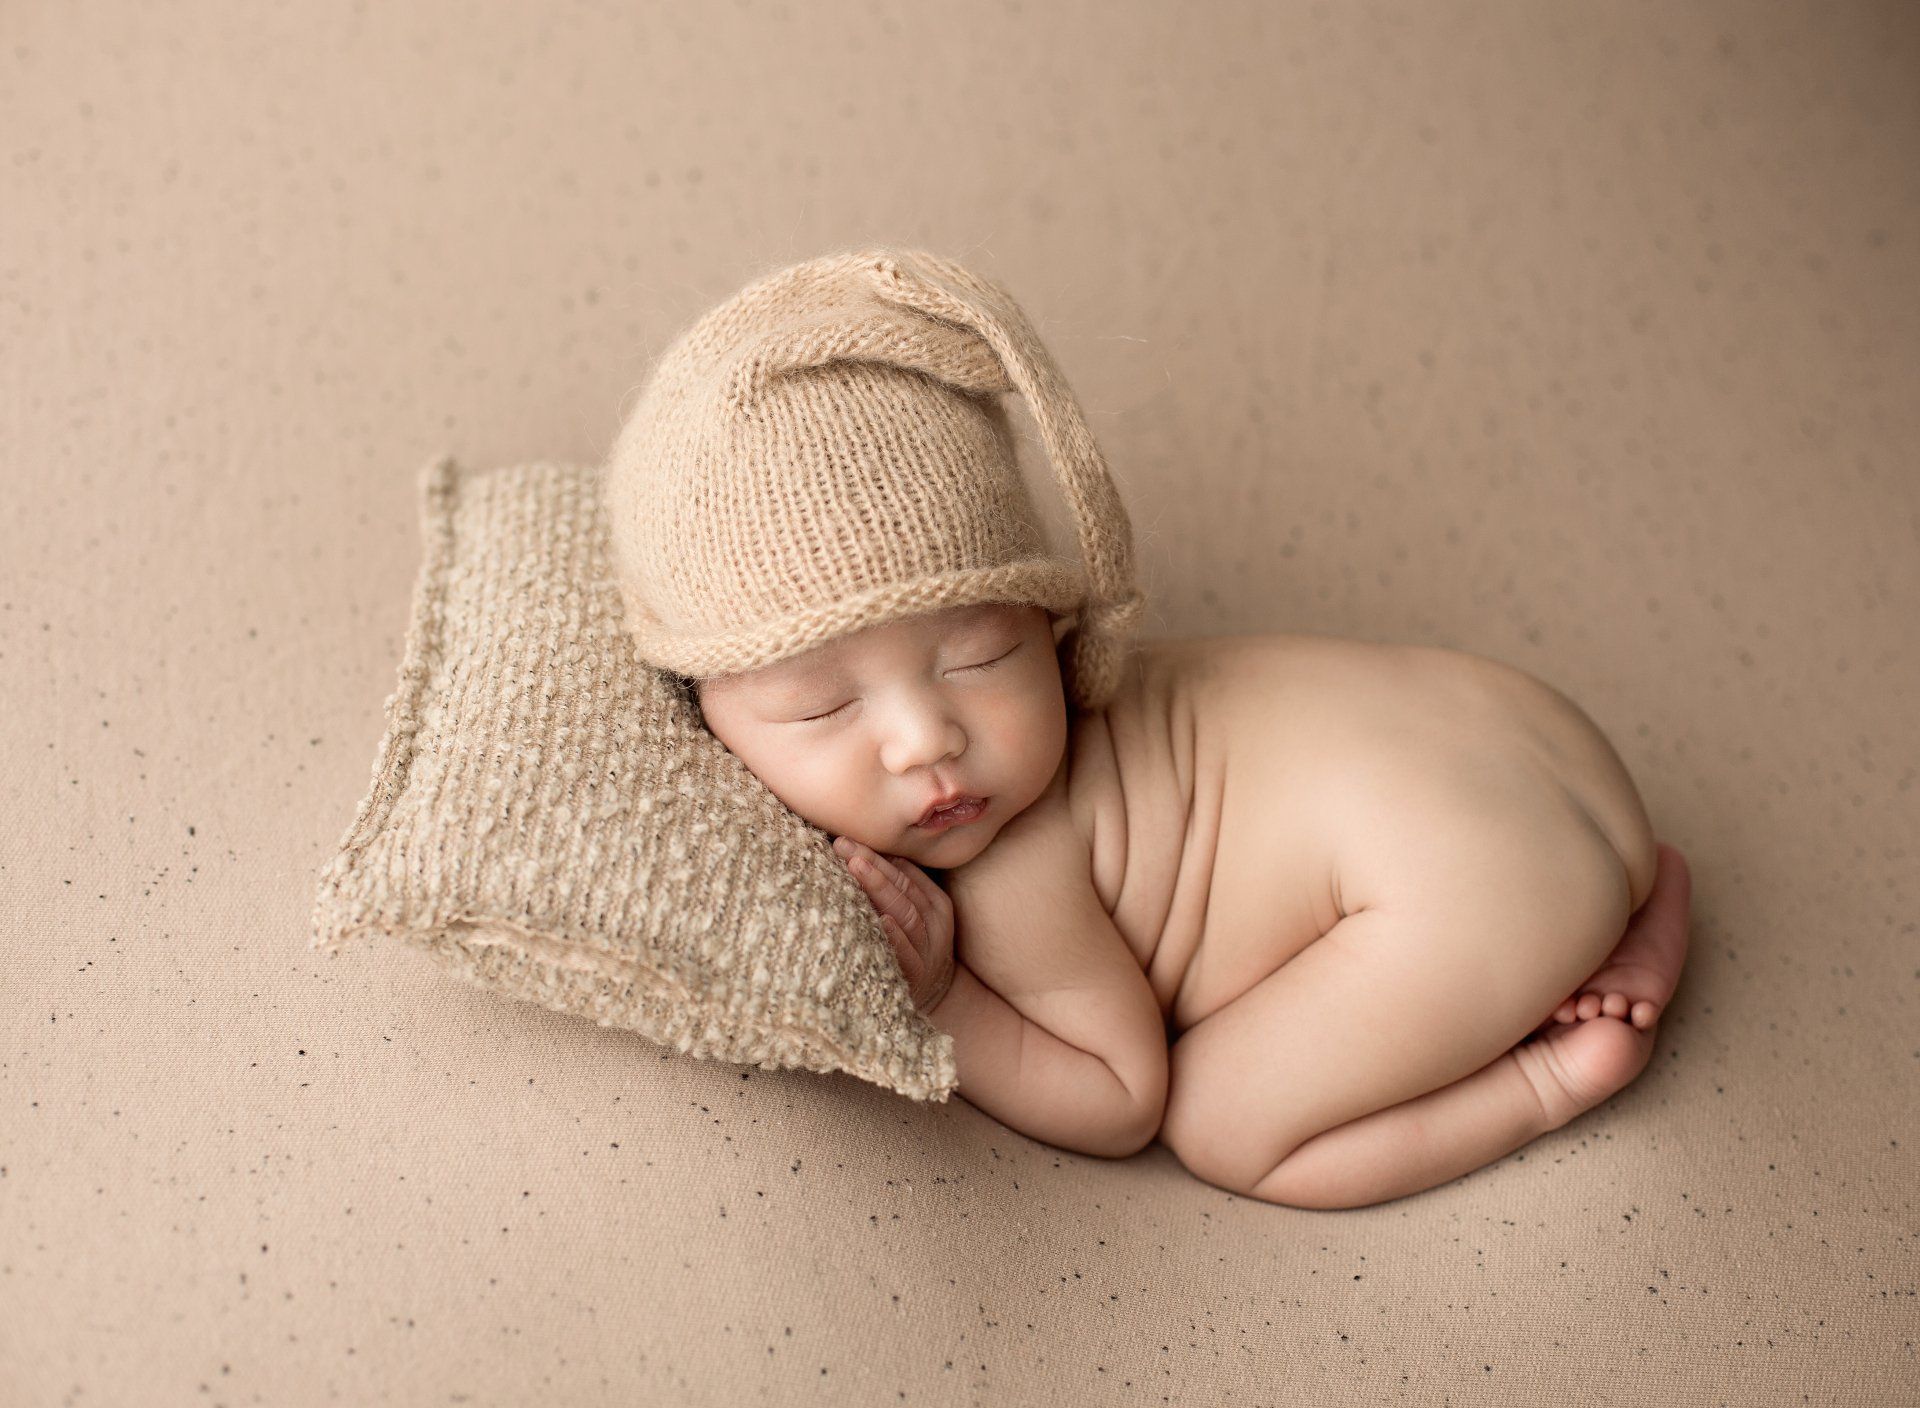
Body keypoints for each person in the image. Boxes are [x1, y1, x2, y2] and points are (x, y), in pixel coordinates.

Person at [602, 247, 1691, 1210]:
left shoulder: (1005, 867)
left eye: (986, 656)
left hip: (1480, 881)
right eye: (825, 706)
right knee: (1531, 856)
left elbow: (1122, 1099)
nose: (927, 740)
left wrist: (943, 995)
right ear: (704, 710)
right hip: (1547, 737)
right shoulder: (983, 751)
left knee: (1221, 1125)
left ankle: (1556, 1071)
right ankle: (1640, 893)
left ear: (1056, 622)